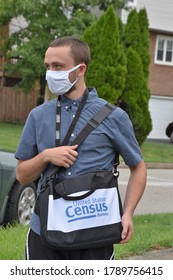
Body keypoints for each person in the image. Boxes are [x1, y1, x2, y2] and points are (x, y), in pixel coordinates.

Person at [15, 36, 147, 260]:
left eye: (58, 66)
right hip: (44, 233)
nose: (51, 73)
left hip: (95, 235)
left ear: (80, 69)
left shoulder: (114, 117)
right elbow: (22, 174)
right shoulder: (38, 116)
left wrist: (128, 213)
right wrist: (46, 156)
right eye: (48, 66)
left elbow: (138, 167)